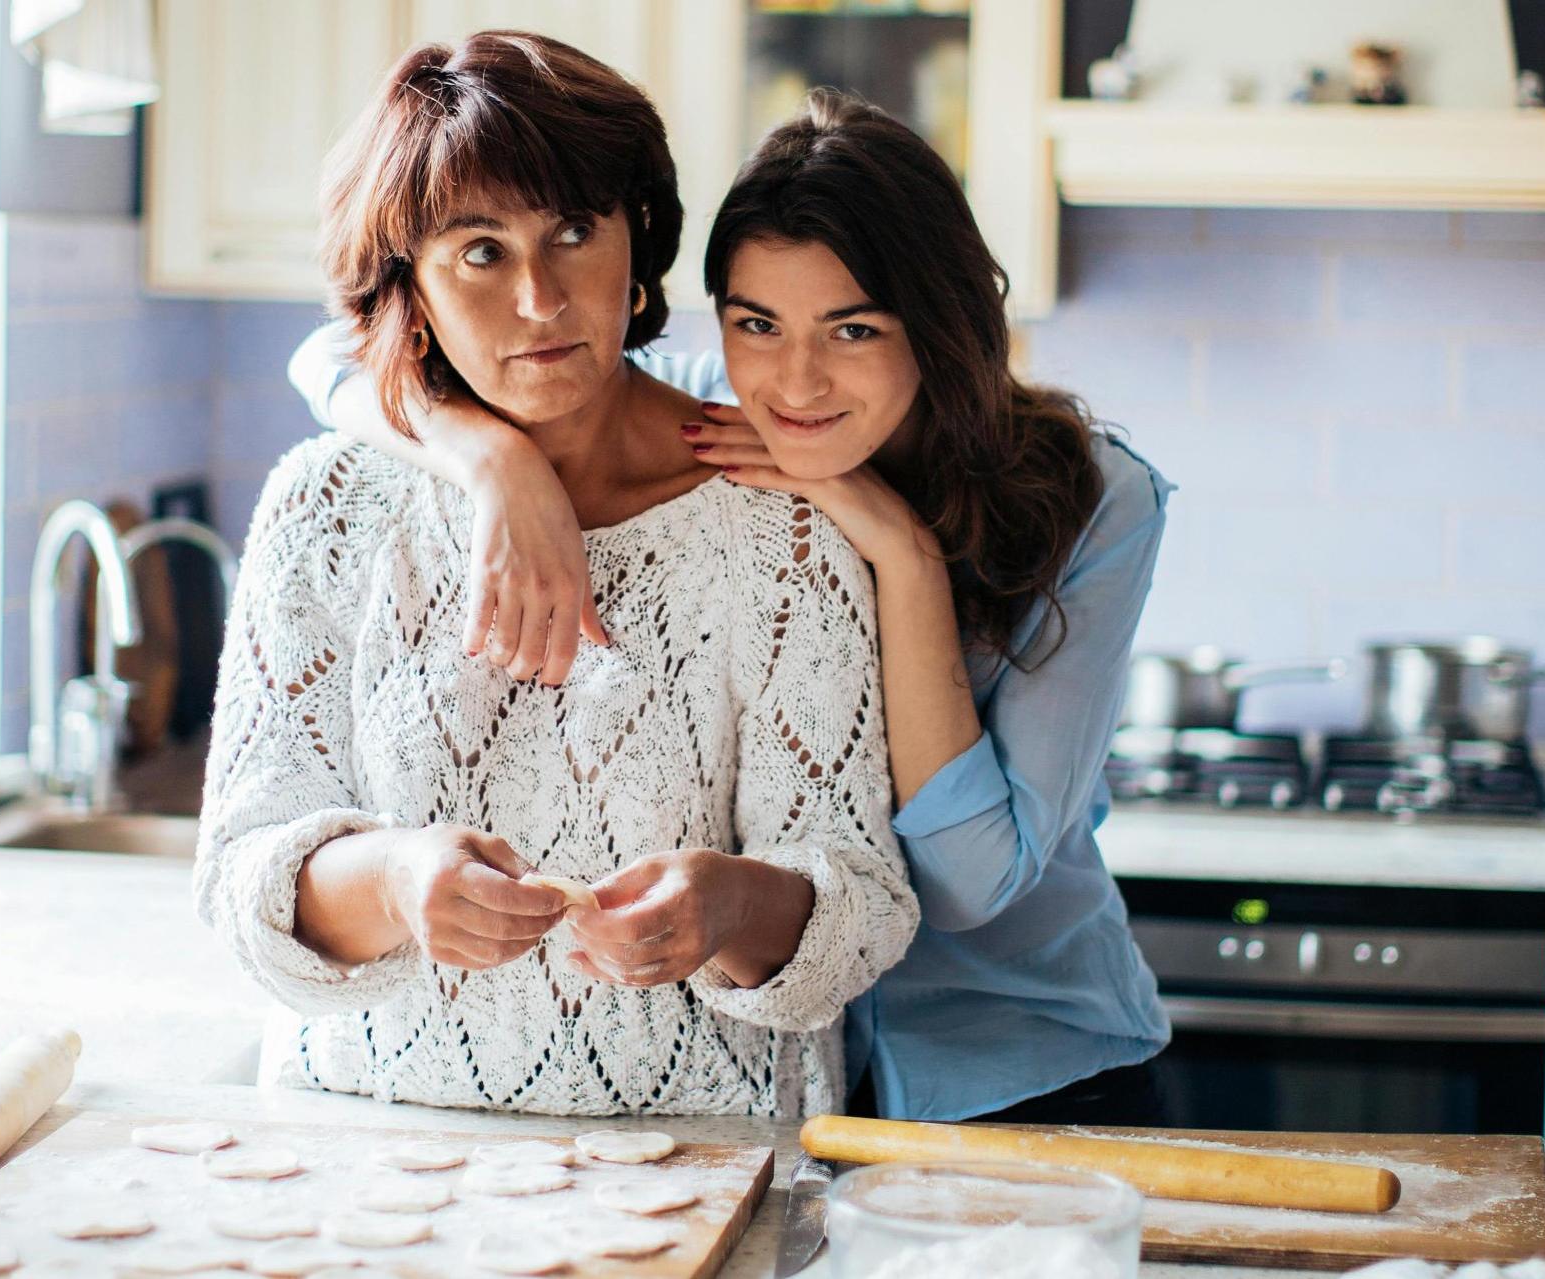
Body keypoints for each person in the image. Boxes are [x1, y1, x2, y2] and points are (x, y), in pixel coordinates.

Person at [291, 87, 1174, 1125]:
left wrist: (895, 546)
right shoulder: (716, 406)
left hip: (1015, 1060)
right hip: (796, 1076)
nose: (795, 381)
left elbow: (971, 882)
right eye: (756, 321)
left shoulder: (1093, 495)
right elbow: (332, 359)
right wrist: (492, 462)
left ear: (936, 328)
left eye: (852, 328)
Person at [194, 34, 918, 1119]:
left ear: (637, 249)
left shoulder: (782, 520)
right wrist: (394, 879)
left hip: (703, 1160)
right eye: (478, 252)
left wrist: (731, 907)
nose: (539, 297)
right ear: (412, 290)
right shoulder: (325, 506)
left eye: (573, 233)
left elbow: (860, 904)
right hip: (361, 1158)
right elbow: (240, 879)